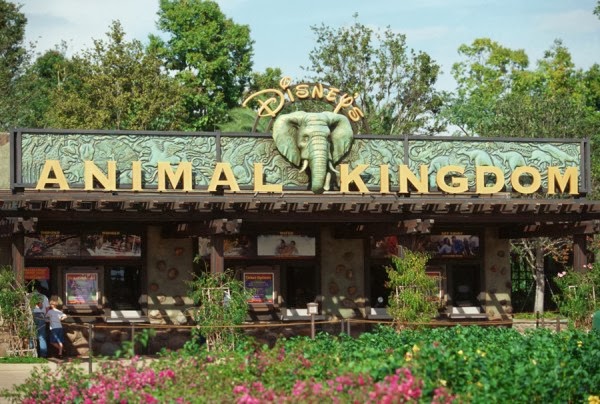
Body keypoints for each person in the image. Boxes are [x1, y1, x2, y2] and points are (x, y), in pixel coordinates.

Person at [31, 283, 49, 358]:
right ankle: (43, 355)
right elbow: (47, 309)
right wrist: (45, 317)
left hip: (32, 316)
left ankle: (32, 354)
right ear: (40, 290)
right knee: (42, 336)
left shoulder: (30, 296)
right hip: (41, 316)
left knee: (32, 335)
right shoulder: (44, 297)